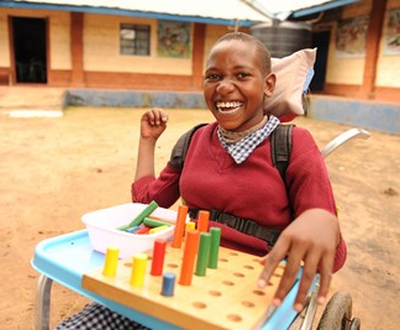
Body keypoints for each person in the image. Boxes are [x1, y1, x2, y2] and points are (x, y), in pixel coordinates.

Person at [56, 32, 346, 329]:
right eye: (213, 76)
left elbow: (331, 255)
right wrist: (147, 143)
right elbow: (145, 205)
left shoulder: (293, 144)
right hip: (176, 273)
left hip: (253, 289)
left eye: (242, 75)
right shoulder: (193, 140)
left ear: (268, 84)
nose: (224, 87)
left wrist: (323, 220)